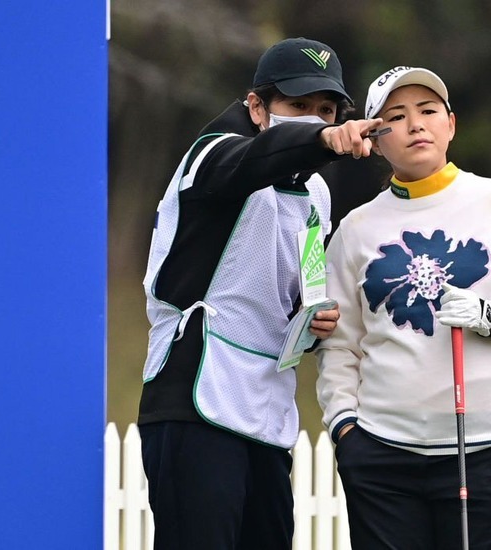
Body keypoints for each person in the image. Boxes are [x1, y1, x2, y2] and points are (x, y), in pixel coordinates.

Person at [137, 37, 383, 550]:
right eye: (298, 106)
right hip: (195, 391)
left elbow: (306, 287)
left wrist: (313, 321)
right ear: (255, 106)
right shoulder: (212, 155)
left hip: (268, 407)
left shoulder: (318, 193)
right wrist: (321, 139)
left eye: (325, 110)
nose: (315, 120)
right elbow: (256, 160)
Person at [316, 66, 491, 549]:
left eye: (429, 111)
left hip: (485, 449)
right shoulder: (355, 230)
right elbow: (340, 345)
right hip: (380, 454)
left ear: (450, 125)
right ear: (374, 138)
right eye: (396, 116)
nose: (416, 124)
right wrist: (345, 429)